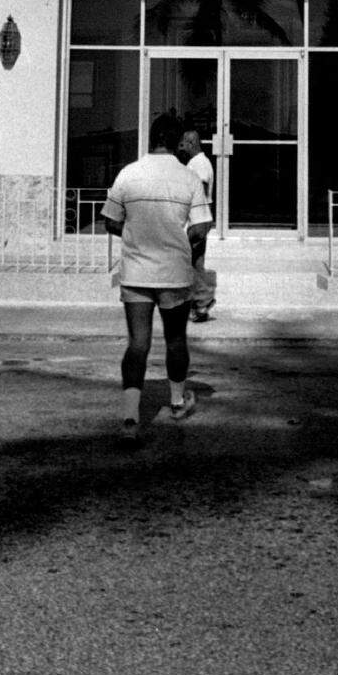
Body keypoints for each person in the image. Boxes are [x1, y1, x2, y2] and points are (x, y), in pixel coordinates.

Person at [102, 114, 212, 443]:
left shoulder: (128, 173)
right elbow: (201, 226)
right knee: (176, 340)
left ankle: (131, 415)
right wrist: (178, 240)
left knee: (138, 343)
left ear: (151, 139)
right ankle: (177, 402)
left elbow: (110, 220)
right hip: (174, 274)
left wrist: (136, 235)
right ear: (178, 142)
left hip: (136, 272)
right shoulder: (188, 177)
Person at [178, 128, 216, 321]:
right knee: (195, 262)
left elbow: (199, 189)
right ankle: (199, 305)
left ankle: (203, 298)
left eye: (183, 143)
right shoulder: (200, 162)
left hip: (197, 219)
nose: (181, 147)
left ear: (191, 143)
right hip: (201, 218)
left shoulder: (198, 164)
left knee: (185, 260)